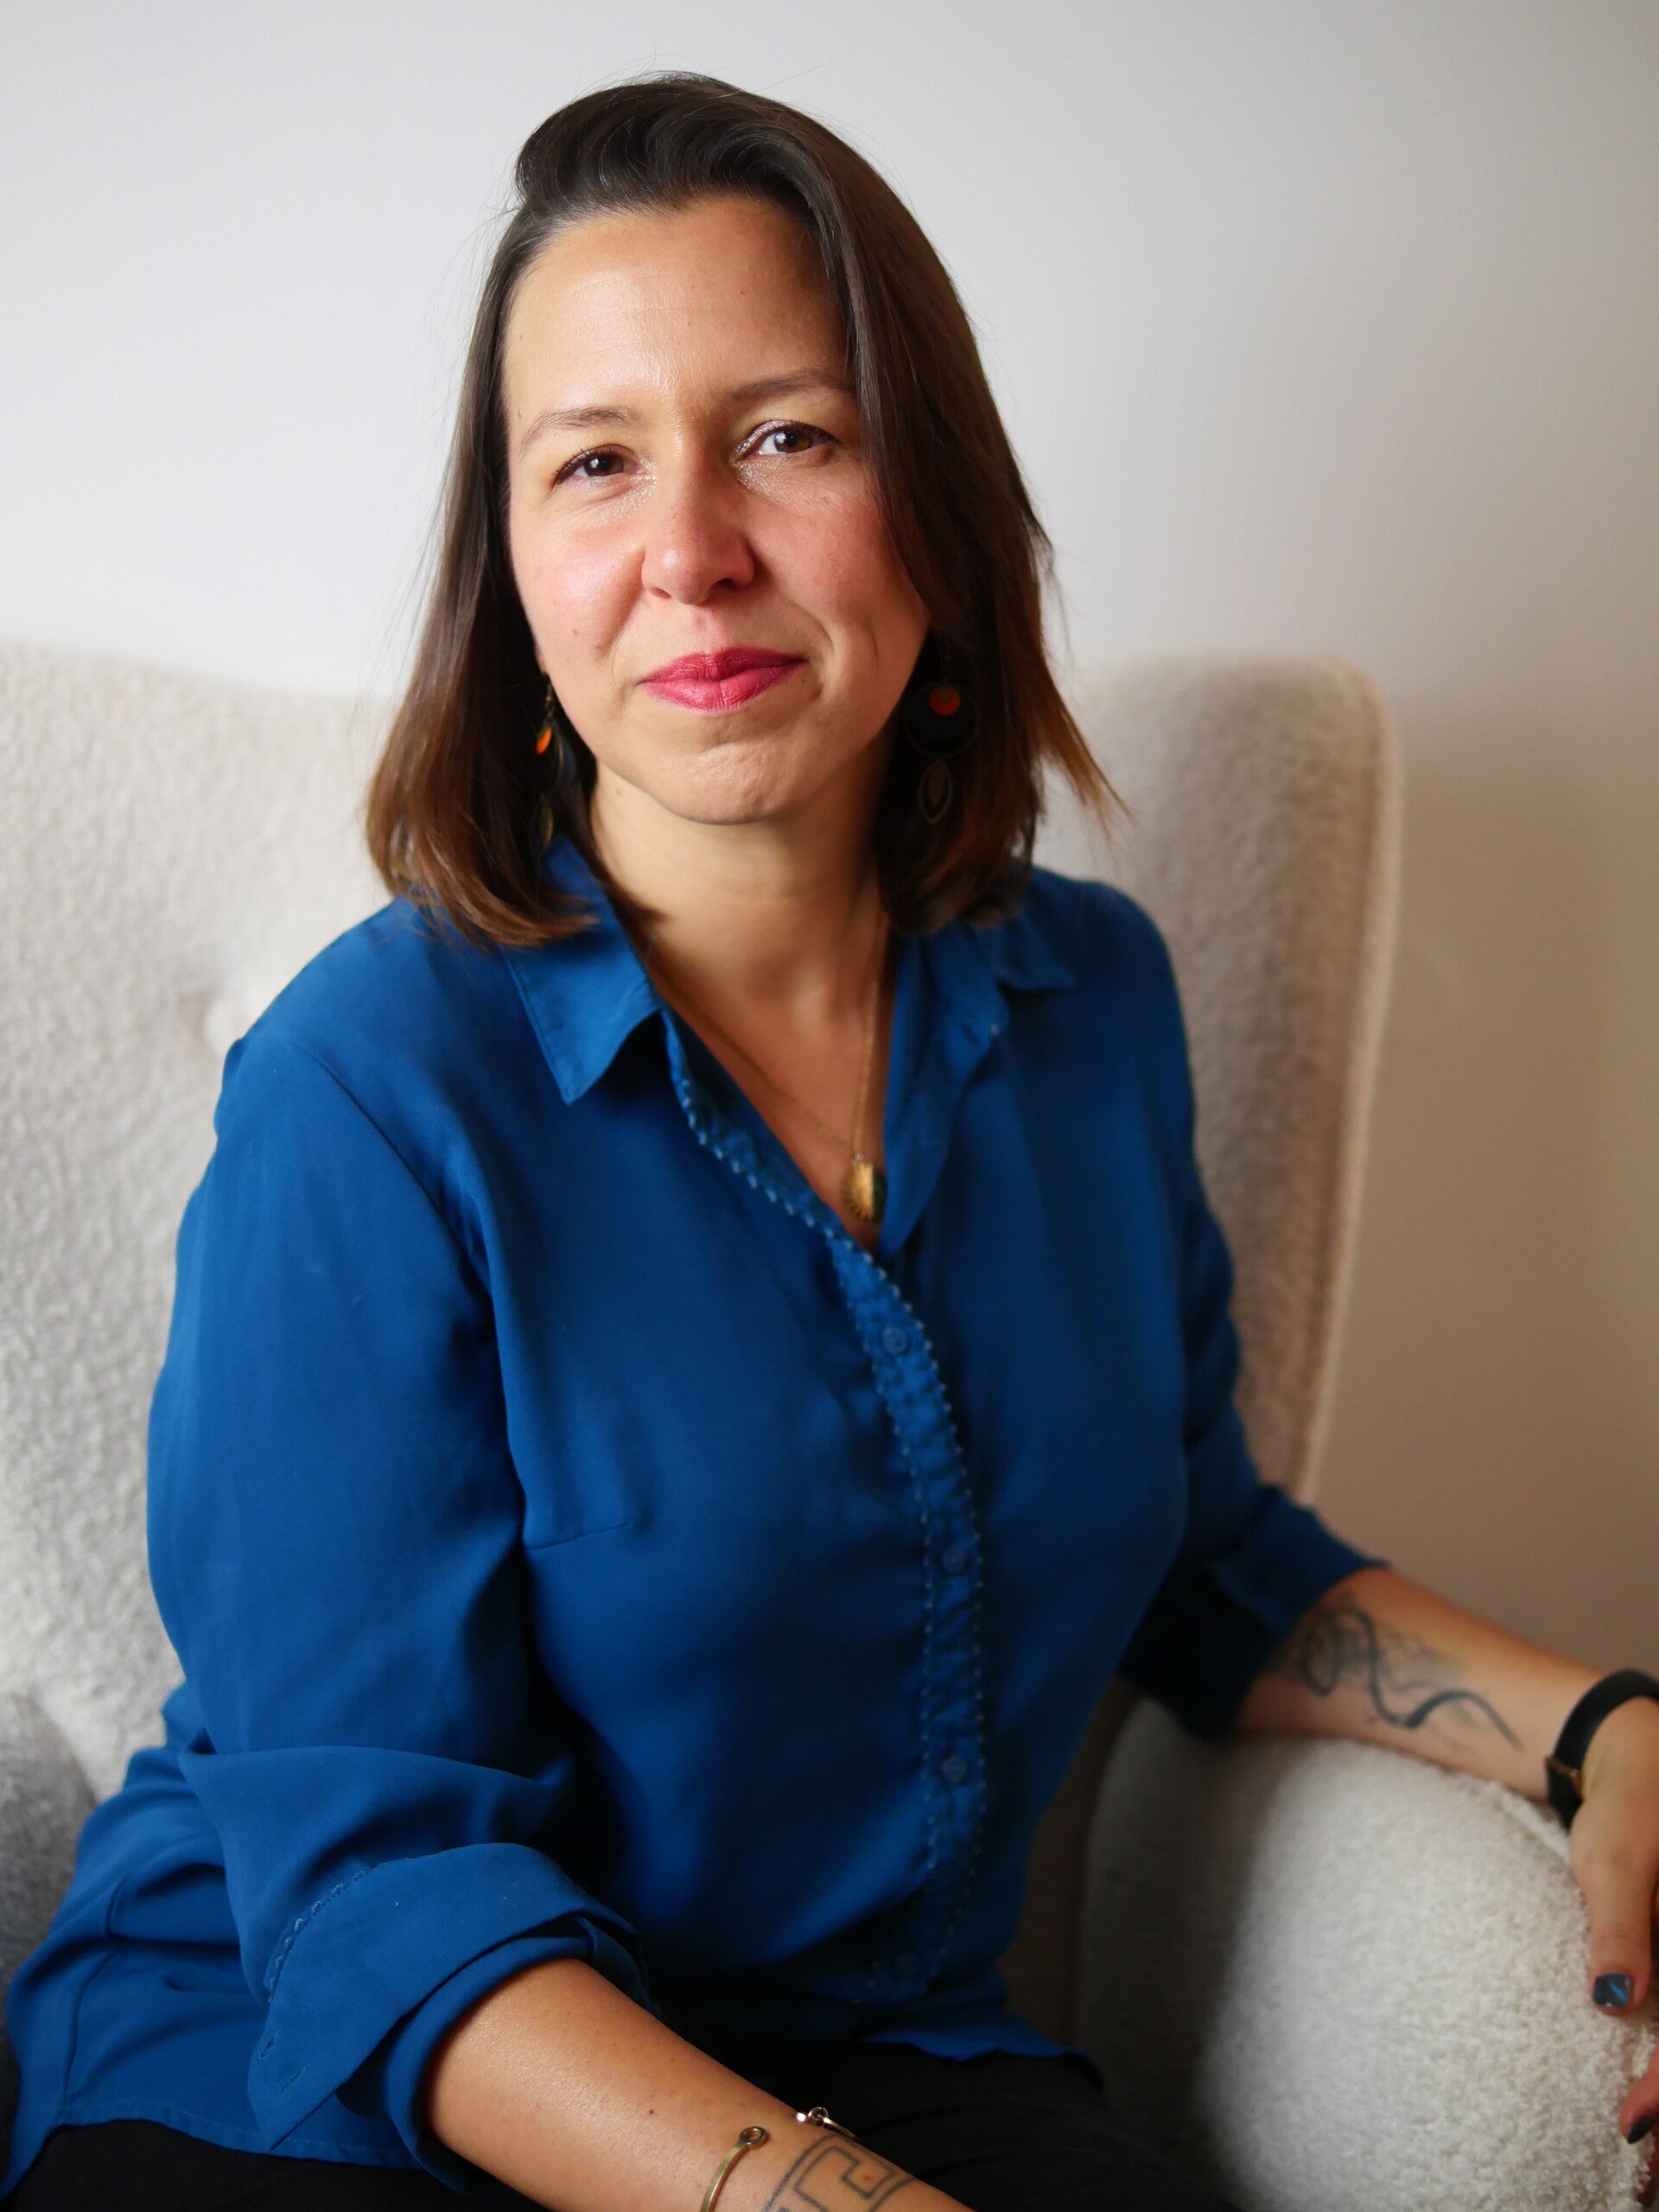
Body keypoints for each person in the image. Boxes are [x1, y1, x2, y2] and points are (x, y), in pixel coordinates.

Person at [3, 71, 1656, 2212]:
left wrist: (1606, 1720)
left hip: (860, 2055)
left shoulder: (1095, 1006)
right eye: (595, 461)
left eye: (789, 436)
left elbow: (1202, 1552)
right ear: (517, 573)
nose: (691, 549)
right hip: (325, 2080)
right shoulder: (366, 1086)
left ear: (935, 510)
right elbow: (381, 1892)